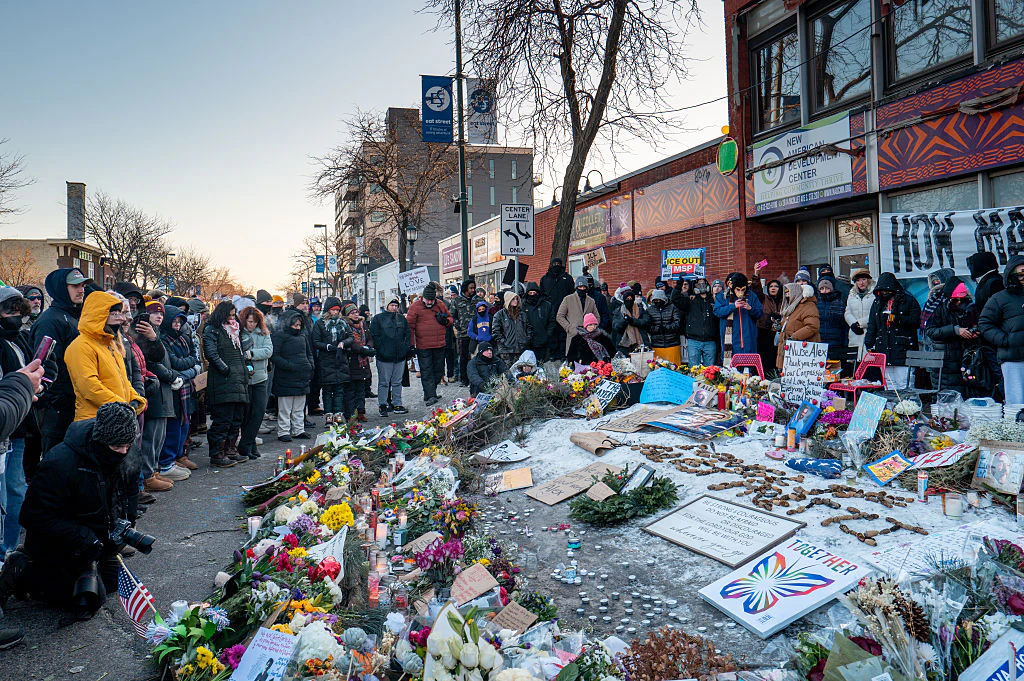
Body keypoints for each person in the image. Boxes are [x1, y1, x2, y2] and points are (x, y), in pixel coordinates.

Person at [0, 402, 141, 622]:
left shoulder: (128, 454)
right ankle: (22, 569)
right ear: (100, 440)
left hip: (97, 539)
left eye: (127, 446)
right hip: (60, 543)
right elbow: (31, 515)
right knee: (86, 600)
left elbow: (131, 493)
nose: (123, 452)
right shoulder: (61, 462)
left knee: (119, 583)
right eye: (117, 447)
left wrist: (125, 524)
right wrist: (81, 536)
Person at [0, 289, 45, 559]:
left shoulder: (19, 339)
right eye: (8, 312)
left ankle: (11, 547)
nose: (15, 318)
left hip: (21, 425)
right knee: (6, 494)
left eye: (19, 312)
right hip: (7, 424)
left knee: (16, 491)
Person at [63, 290, 147, 422]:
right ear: (98, 316)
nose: (121, 319)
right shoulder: (80, 346)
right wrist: (123, 406)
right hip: (95, 421)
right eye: (114, 314)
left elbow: (122, 380)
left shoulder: (111, 345)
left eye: (120, 314)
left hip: (117, 418)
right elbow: (89, 387)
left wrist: (134, 399)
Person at [31, 268, 87, 454]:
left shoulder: (74, 317)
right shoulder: (50, 320)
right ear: (61, 288)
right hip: (57, 408)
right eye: (75, 286)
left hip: (74, 401)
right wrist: (55, 402)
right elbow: (44, 364)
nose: (81, 290)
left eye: (82, 285)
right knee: (56, 461)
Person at [132, 301, 186, 491]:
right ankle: (148, 474)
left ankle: (153, 471)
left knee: (159, 435)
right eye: (154, 313)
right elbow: (152, 363)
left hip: (164, 391)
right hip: (153, 390)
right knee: (150, 436)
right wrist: (172, 376)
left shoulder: (157, 335)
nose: (158, 316)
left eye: (161, 313)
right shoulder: (142, 334)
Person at [202, 301, 249, 466]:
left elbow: (241, 353)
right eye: (229, 315)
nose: (231, 318)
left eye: (233, 315)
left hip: (238, 380)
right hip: (223, 380)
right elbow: (211, 353)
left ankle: (230, 449)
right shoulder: (212, 329)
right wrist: (225, 369)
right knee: (223, 419)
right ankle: (217, 453)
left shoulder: (235, 331)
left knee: (236, 418)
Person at [864, 273, 921, 389]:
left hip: (904, 349)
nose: (884, 293)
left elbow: (915, 321)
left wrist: (896, 318)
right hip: (884, 349)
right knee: (889, 385)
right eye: (882, 291)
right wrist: (869, 343)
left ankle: (907, 407)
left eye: (887, 291)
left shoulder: (908, 301)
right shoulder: (877, 303)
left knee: (905, 383)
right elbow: (872, 325)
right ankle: (891, 407)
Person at [980, 256, 1024, 403]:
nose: (1023, 278)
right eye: (1020, 274)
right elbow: (985, 323)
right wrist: (1005, 340)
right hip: (1012, 357)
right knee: (1016, 401)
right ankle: (1016, 426)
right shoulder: (999, 298)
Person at [926, 280, 979, 392]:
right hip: (944, 361)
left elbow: (976, 324)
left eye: (962, 299)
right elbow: (931, 332)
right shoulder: (937, 307)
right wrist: (955, 330)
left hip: (964, 358)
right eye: (955, 300)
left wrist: (974, 332)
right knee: (945, 396)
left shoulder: (970, 307)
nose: (959, 302)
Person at [406, 283, 452, 407]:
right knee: (426, 371)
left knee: (439, 370)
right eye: (428, 300)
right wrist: (411, 345)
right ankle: (431, 394)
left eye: (432, 300)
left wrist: (445, 321)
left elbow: (450, 318)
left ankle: (430, 391)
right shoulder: (415, 307)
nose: (430, 302)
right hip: (423, 345)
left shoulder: (440, 304)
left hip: (439, 344)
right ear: (423, 298)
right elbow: (409, 327)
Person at [271, 307, 313, 440]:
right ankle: (283, 431)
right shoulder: (279, 336)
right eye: (295, 325)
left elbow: (309, 353)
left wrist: (310, 365)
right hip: (286, 376)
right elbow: (275, 356)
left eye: (299, 325)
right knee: (285, 408)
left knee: (299, 407)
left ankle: (298, 429)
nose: (297, 327)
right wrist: (289, 366)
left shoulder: (302, 336)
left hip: (302, 375)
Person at [237, 307, 272, 459]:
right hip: (245, 379)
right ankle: (249, 446)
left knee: (258, 413)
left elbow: (268, 350)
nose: (252, 325)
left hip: (260, 378)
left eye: (255, 322)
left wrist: (252, 354)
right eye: (250, 322)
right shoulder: (238, 333)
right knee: (246, 415)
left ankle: (246, 445)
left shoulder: (263, 333)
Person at [312, 298, 354, 424]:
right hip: (326, 360)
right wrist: (326, 346)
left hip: (340, 359)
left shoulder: (343, 323)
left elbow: (350, 337)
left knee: (339, 389)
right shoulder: (320, 323)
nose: (335, 312)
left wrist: (343, 343)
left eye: (337, 310)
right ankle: (328, 414)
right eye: (333, 310)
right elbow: (315, 341)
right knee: (327, 389)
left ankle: (338, 413)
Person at [369, 298, 410, 417]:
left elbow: (407, 334)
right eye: (392, 305)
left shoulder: (401, 319)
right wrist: (380, 349)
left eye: (396, 305)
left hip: (399, 355)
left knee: (397, 381)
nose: (394, 307)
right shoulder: (378, 319)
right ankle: (383, 404)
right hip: (384, 356)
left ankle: (397, 403)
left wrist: (405, 349)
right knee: (384, 382)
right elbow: (375, 335)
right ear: (387, 306)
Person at [714, 273, 763, 361]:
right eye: (738, 289)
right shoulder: (723, 296)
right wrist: (732, 306)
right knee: (731, 367)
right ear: (732, 286)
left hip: (748, 337)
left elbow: (760, 313)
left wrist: (750, 308)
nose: (740, 293)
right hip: (730, 338)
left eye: (743, 289)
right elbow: (717, 311)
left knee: (748, 365)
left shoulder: (751, 296)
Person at [341, 303, 375, 422]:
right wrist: (361, 349)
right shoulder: (345, 325)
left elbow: (369, 338)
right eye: (352, 313)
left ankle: (361, 411)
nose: (355, 314)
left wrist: (369, 347)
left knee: (361, 388)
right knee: (350, 390)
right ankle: (350, 413)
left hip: (362, 361)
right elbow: (348, 342)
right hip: (351, 360)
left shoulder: (363, 324)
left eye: (356, 312)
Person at [674, 277, 718, 367]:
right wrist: (680, 283)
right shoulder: (690, 300)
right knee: (694, 370)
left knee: (710, 371)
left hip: (710, 341)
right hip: (694, 341)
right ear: (695, 287)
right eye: (699, 284)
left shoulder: (713, 301)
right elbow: (675, 299)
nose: (701, 286)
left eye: (703, 283)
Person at [775, 283, 821, 370]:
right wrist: (780, 327)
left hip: (803, 350)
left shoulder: (808, 306)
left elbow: (812, 326)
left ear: (795, 292)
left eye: (788, 292)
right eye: (785, 292)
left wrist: (794, 337)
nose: (786, 295)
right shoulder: (791, 307)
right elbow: (792, 325)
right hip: (789, 349)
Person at [539, 259, 575, 359]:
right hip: (550, 312)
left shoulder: (567, 278)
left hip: (565, 312)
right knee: (552, 334)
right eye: (554, 264)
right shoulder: (545, 279)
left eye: (558, 264)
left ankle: (563, 353)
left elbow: (572, 294)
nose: (556, 266)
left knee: (563, 333)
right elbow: (541, 294)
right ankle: (553, 354)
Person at [557, 276, 600, 357]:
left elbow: (597, 317)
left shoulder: (591, 301)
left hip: (588, 338)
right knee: (572, 363)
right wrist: (569, 328)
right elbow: (559, 316)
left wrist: (593, 327)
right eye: (580, 287)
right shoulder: (568, 299)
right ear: (576, 287)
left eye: (584, 287)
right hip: (573, 335)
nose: (582, 289)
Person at [491, 291, 533, 366]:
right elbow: (495, 332)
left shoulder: (522, 314)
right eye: (513, 299)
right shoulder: (499, 315)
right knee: (508, 372)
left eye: (517, 299)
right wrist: (504, 342)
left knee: (521, 372)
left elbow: (528, 328)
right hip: (506, 350)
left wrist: (526, 339)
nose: (516, 301)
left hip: (521, 348)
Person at [752, 273, 783, 374]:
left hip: (779, 333)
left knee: (777, 357)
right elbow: (757, 289)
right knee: (765, 357)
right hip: (764, 332)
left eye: (776, 286)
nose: (773, 288)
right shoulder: (764, 298)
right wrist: (756, 275)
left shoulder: (784, 300)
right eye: (771, 286)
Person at [449, 280, 478, 386]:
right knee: (463, 357)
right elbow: (452, 315)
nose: (473, 290)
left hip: (476, 334)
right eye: (471, 288)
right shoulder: (457, 300)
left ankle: (475, 378)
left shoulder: (477, 300)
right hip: (463, 333)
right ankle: (464, 379)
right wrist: (458, 326)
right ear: (465, 288)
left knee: (475, 357)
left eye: (474, 288)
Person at [816, 275, 849, 363]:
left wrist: (844, 342)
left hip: (836, 342)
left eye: (827, 288)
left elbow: (844, 325)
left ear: (831, 289)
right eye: (822, 288)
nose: (824, 291)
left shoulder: (839, 302)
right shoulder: (816, 304)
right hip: (820, 341)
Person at [844, 269, 875, 361]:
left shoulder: (875, 294)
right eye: (858, 280)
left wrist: (860, 323)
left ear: (868, 280)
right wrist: (853, 324)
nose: (861, 283)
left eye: (863, 279)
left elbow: (874, 313)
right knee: (855, 364)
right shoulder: (852, 294)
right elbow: (847, 312)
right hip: (855, 334)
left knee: (870, 362)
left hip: (870, 331)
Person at [646, 289, 682, 364]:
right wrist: (657, 329)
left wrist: (666, 327)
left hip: (672, 343)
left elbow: (677, 323)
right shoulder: (649, 310)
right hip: (657, 344)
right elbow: (647, 325)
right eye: (655, 300)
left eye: (659, 300)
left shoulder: (672, 308)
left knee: (674, 367)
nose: (657, 302)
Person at [522, 282, 554, 363]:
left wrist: (547, 335)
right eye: (530, 293)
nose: (532, 295)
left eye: (534, 292)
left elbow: (552, 321)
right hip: (528, 342)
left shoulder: (546, 305)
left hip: (542, 341)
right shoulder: (523, 306)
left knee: (541, 365)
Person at [612, 287, 649, 354]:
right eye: (627, 299)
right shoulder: (618, 311)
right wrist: (624, 321)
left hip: (641, 340)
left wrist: (633, 321)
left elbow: (645, 322)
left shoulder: (640, 309)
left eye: (631, 299)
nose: (629, 300)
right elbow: (616, 326)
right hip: (624, 343)